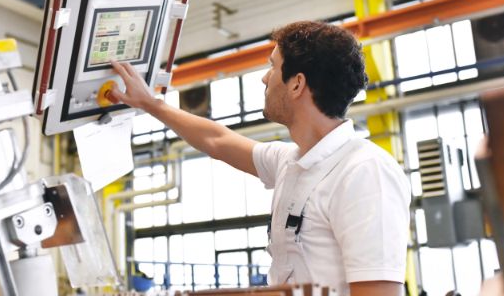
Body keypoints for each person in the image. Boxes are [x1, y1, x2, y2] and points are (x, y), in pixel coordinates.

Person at [109, 21, 411, 296]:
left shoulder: (364, 171)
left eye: (273, 66)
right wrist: (150, 104)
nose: (265, 79)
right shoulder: (292, 163)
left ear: (297, 84)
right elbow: (218, 140)